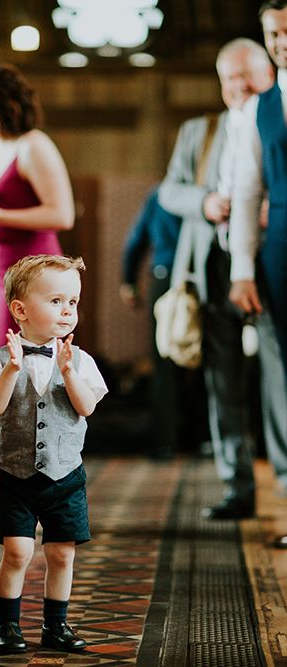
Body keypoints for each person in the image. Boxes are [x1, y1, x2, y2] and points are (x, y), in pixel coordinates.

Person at [0, 65, 75, 529]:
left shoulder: (34, 145)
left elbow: (60, 212)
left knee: (38, 383)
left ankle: (45, 496)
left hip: (36, 275)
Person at [158, 38, 274, 520]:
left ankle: (284, 484)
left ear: (269, 76)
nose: (238, 86)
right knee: (222, 381)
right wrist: (204, 203)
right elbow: (168, 191)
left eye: (248, 76)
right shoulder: (199, 131)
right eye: (230, 78)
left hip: (272, 265)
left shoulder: (278, 123)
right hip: (213, 268)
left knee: (278, 378)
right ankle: (237, 487)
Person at [0, 254, 107, 654]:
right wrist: (12, 369)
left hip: (65, 476)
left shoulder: (80, 360)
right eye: (56, 301)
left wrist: (68, 374)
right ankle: (8, 626)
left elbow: (85, 407)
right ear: (20, 310)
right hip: (14, 475)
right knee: (17, 551)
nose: (68, 310)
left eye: (73, 302)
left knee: (61, 554)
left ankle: (56, 626)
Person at [229, 1, 287, 547]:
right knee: (285, 380)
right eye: (274, 33)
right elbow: (247, 194)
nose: (282, 41)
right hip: (281, 256)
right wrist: (242, 269)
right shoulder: (258, 109)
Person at [119, 186, 194, 459]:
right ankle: (203, 441)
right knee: (203, 360)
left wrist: (129, 281)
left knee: (163, 363)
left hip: (163, 279)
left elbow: (135, 240)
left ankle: (165, 443)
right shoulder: (204, 194)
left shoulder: (159, 195)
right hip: (200, 280)